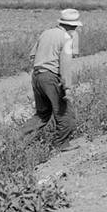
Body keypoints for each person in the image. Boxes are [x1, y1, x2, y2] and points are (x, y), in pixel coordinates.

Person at [25, 8, 80, 150]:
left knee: (42, 114)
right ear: (72, 26)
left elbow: (32, 54)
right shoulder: (66, 38)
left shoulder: (46, 33)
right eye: (75, 26)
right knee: (65, 114)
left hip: (37, 76)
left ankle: (16, 139)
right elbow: (65, 65)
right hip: (50, 77)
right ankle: (61, 144)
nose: (75, 29)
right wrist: (67, 88)